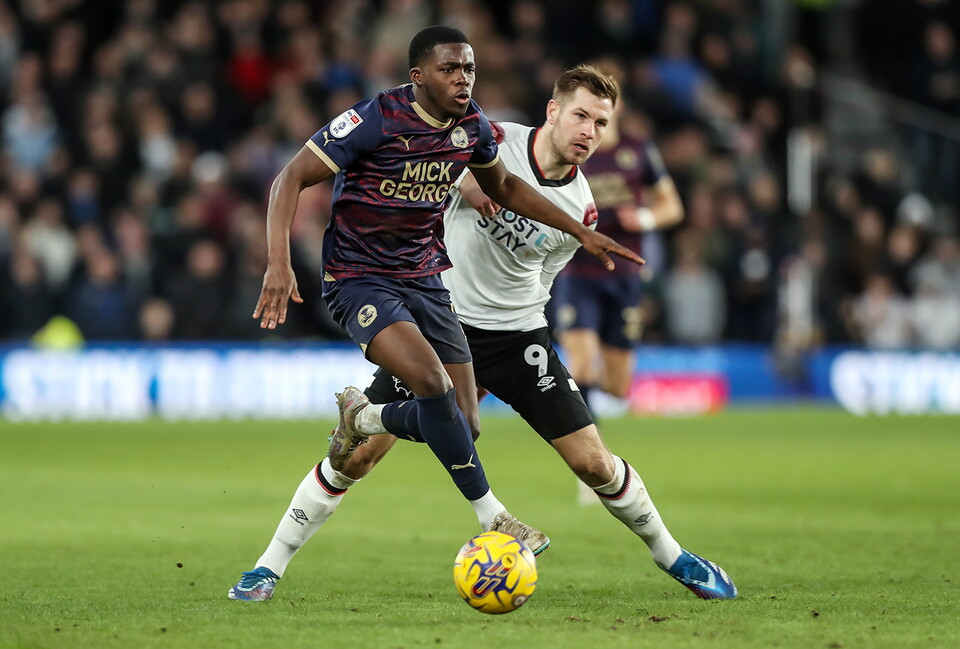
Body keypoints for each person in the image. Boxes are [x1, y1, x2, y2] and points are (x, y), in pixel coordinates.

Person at [232, 63, 736, 602]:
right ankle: (266, 568)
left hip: (519, 338)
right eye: (581, 116)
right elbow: (432, 167)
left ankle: (675, 557)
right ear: (553, 111)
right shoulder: (489, 139)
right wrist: (467, 181)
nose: (589, 132)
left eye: (600, 123)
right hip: (442, 323)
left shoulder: (582, 208)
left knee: (593, 463)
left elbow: (540, 281)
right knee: (356, 458)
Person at [553, 62, 684, 415]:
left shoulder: (638, 151)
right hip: (578, 272)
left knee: (617, 384)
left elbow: (673, 206)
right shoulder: (570, 151)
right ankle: (585, 443)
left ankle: (579, 416)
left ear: (618, 104)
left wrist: (643, 218)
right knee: (582, 366)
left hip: (624, 275)